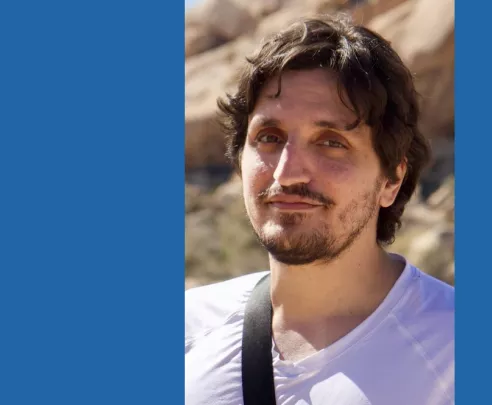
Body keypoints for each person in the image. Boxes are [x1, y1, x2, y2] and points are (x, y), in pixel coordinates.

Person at [185, 14, 454, 405]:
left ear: (392, 180)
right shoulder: (190, 329)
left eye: (331, 142)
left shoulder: (448, 352)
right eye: (270, 137)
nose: (288, 172)